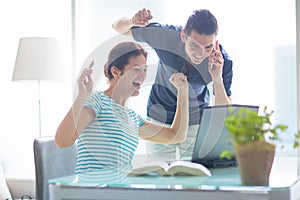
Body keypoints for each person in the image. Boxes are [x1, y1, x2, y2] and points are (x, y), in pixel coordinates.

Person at [112, 8, 233, 161]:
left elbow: (224, 110)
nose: (200, 53)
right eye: (194, 45)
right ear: (183, 36)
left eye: (207, 47)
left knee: (193, 176)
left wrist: (217, 77)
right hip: (159, 117)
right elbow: (118, 28)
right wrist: (132, 21)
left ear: (215, 42)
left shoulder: (222, 61)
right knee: (160, 175)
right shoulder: (165, 37)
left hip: (194, 122)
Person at [55, 42, 189, 174]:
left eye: (145, 70)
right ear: (116, 72)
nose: (143, 76)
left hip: (119, 191)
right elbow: (62, 141)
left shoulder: (131, 117)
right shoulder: (97, 102)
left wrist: (183, 93)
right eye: (137, 69)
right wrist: (82, 96)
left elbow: (175, 136)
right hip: (93, 191)